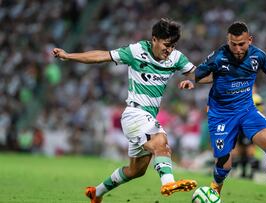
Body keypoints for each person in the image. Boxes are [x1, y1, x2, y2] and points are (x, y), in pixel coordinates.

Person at [53, 18, 197, 203]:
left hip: (146, 118)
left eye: (173, 45)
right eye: (166, 44)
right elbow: (102, 56)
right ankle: (168, 182)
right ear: (154, 39)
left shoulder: (176, 58)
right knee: (161, 142)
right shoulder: (136, 51)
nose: (169, 50)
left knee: (136, 170)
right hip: (134, 114)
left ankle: (96, 192)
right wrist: (68, 56)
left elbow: (199, 74)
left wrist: (198, 79)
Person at [194, 21, 266, 203]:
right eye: (233, 44)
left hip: (247, 110)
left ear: (250, 40)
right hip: (221, 114)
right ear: (228, 41)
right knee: (225, 165)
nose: (238, 49)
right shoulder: (218, 57)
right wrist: (193, 81)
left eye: (242, 44)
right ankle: (214, 190)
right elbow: (197, 74)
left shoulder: (258, 56)